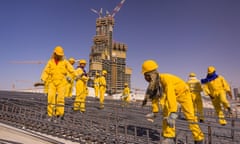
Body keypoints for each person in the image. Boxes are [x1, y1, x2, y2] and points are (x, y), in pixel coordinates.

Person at [141, 60, 204, 144]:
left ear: (151, 74)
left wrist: (173, 112)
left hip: (183, 93)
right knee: (166, 113)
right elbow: (155, 97)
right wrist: (155, 111)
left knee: (190, 116)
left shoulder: (166, 79)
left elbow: (171, 96)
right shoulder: (155, 82)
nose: (145, 78)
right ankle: (169, 137)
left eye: (146, 75)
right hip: (171, 94)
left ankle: (198, 138)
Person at [41, 46, 76, 120]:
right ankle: (50, 114)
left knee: (60, 98)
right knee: (50, 98)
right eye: (58, 55)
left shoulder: (65, 61)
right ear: (55, 53)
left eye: (60, 55)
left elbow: (71, 69)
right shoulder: (50, 61)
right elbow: (46, 71)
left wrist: (76, 75)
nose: (59, 56)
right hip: (52, 82)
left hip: (61, 82)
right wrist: (43, 77)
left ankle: (60, 114)